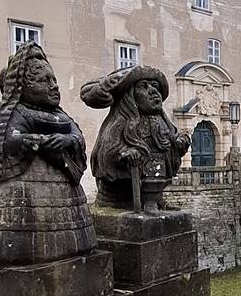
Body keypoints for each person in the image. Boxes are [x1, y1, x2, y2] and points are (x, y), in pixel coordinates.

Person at [0, 43, 93, 265]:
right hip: (21, 189)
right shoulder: (12, 112)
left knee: (67, 240)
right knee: (26, 242)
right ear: (24, 85)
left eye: (54, 80)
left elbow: (77, 136)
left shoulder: (60, 115)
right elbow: (8, 140)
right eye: (45, 81)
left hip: (63, 191)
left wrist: (65, 139)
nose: (54, 86)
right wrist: (38, 141)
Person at [81, 64, 191, 210]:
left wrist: (181, 142)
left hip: (152, 188)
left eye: (155, 86)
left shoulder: (160, 121)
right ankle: (147, 203)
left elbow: (175, 136)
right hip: (118, 199)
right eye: (143, 86)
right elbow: (105, 153)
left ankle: (155, 200)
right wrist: (124, 153)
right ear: (130, 96)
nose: (153, 91)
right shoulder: (121, 122)